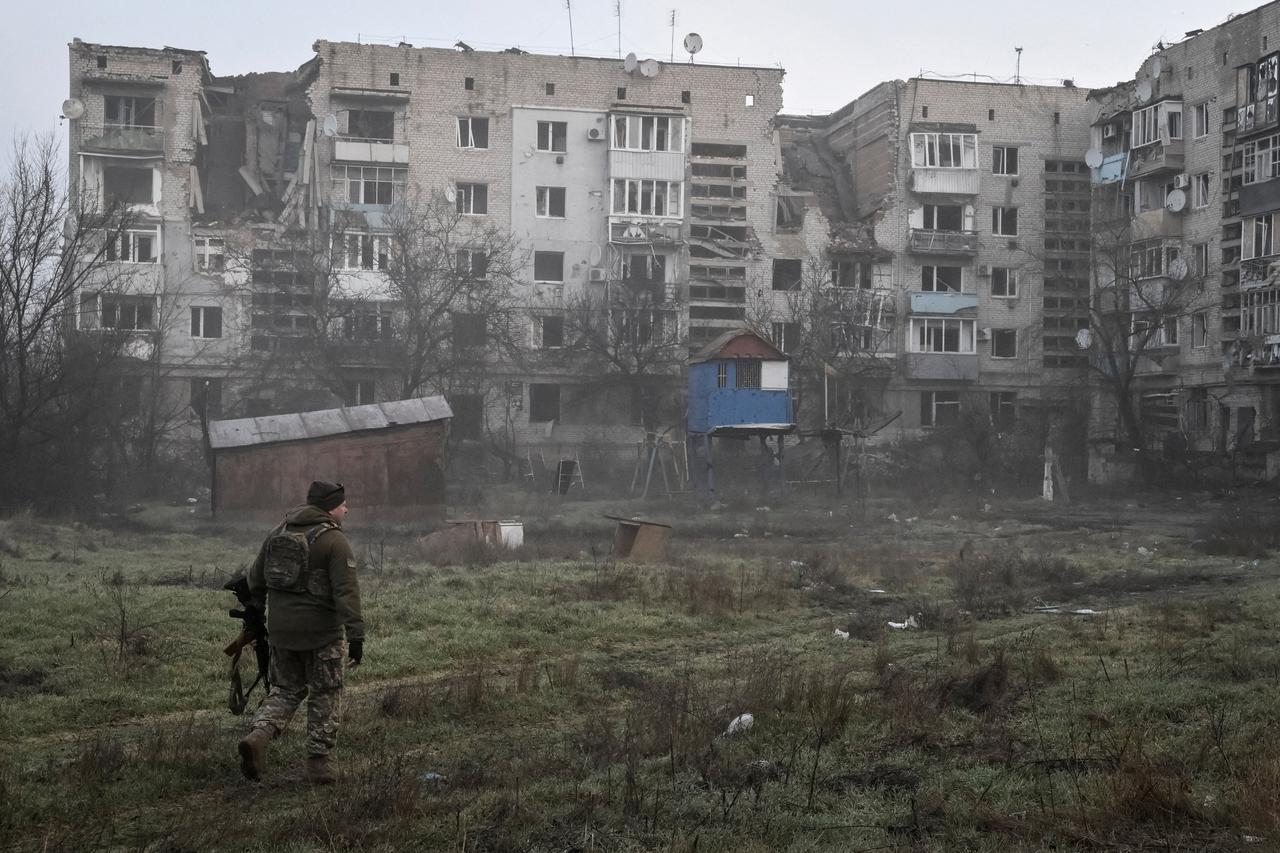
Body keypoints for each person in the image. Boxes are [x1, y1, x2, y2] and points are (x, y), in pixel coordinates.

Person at [237, 480, 364, 784]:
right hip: (322, 635)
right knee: (325, 693)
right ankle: (318, 764)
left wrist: (256, 619)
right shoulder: (334, 540)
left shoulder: (279, 531)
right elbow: (346, 592)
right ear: (330, 507)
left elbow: (255, 580)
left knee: (285, 690)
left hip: (281, 632)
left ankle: (259, 736)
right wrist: (356, 635)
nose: (346, 509)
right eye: (343, 504)